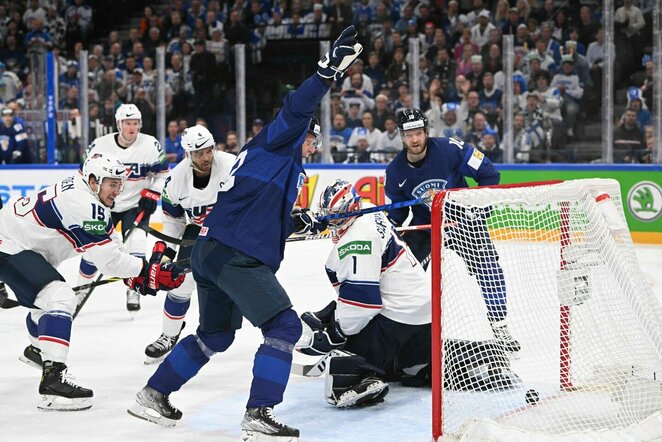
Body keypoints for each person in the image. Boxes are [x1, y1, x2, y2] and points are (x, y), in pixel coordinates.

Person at [128, 26, 362, 440]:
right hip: (236, 257)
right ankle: (259, 412)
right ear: (301, 135)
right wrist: (327, 72)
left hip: (212, 252)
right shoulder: (277, 143)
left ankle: (152, 395)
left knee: (215, 334)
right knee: (285, 328)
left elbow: (261, 217)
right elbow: (296, 105)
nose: (313, 148)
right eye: (312, 140)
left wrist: (303, 221)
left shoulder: (275, 166)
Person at [0, 152, 184, 410]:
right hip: (10, 246)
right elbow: (107, 260)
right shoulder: (84, 203)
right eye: (112, 183)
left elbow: (111, 243)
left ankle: (36, 350)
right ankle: (53, 383)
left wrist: (134, 272)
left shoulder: (87, 192)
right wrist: (143, 270)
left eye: (120, 184)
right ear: (95, 180)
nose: (117, 190)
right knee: (60, 297)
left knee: (45, 303)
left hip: (20, 244)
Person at [384, 108, 520, 353]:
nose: (414, 139)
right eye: (408, 134)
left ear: (426, 132)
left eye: (418, 133)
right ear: (401, 137)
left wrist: (478, 208)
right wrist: (390, 227)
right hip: (427, 226)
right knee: (401, 272)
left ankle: (500, 326)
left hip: (463, 220)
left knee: (489, 268)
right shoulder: (395, 172)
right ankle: (396, 327)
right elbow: (398, 215)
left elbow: (489, 174)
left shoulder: (451, 149)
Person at [297, 179, 430, 407]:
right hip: (423, 314)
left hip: (400, 317)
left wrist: (337, 333)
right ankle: (414, 364)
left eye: (337, 216)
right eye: (328, 215)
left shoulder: (357, 242)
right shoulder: (369, 211)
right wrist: (319, 223)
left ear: (351, 209)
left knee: (349, 338)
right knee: (350, 313)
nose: (333, 222)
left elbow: (363, 304)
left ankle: (363, 377)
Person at [143, 125, 236, 364]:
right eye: (198, 153)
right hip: (199, 232)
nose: (206, 157)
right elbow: (173, 219)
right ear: (187, 154)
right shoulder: (175, 181)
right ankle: (169, 335)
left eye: (208, 150)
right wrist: (167, 252)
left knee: (247, 282)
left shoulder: (233, 166)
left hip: (234, 230)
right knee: (180, 282)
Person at [77, 103, 169, 312]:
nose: (132, 127)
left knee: (136, 244)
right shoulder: (99, 145)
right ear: (119, 124)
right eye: (128, 123)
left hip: (135, 206)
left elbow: (163, 174)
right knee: (94, 249)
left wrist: (153, 193)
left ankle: (134, 288)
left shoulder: (150, 145)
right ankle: (81, 288)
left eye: (136, 123)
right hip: (104, 205)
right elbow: (83, 175)